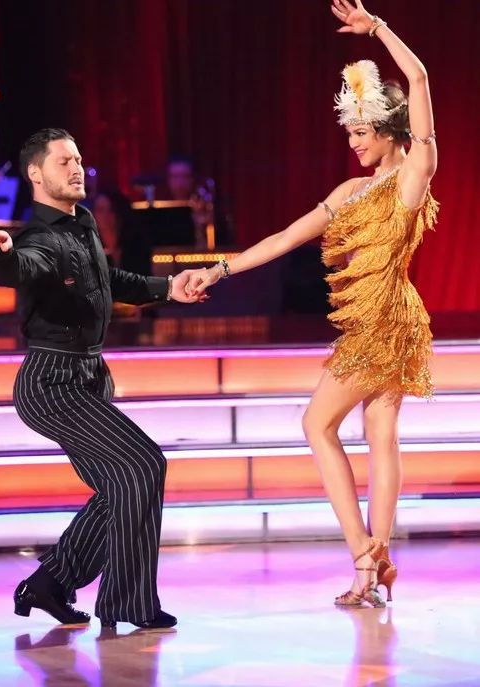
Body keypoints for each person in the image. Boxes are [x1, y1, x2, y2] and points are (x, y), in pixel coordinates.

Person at [185, 0, 438, 607]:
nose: (352, 143)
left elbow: (419, 77)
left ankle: (362, 554)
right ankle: (376, 566)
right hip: (391, 318)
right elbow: (283, 238)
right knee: (380, 434)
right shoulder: (350, 190)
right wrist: (219, 268)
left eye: (360, 132)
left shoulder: (414, 174)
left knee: (316, 424)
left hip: (381, 320)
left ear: (389, 131)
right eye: (349, 133)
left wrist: (378, 28)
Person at [0, 128, 203, 629]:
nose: (76, 168)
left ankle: (50, 582)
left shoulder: (83, 222)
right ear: (36, 173)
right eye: (64, 162)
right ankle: (128, 603)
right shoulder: (37, 238)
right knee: (143, 464)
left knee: (122, 485)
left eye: (78, 159)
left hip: (88, 377)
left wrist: (167, 288)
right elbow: (20, 268)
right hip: (51, 383)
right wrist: (2, 252)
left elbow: (109, 280)